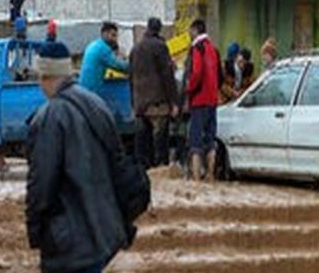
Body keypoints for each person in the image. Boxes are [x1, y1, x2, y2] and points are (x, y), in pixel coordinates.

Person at [21, 40, 128, 273]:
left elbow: (40, 187)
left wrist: (34, 231)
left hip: (71, 234)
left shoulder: (50, 118)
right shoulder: (94, 103)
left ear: (45, 76)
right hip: (99, 226)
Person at [129, 17, 178, 167]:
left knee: (143, 142)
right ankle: (160, 171)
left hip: (140, 103)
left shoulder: (135, 48)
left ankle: (144, 171)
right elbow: (167, 76)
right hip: (158, 103)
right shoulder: (160, 46)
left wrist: (133, 101)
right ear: (159, 29)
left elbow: (130, 76)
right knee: (160, 140)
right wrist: (174, 102)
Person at [184, 18, 221, 181]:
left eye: (190, 31)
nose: (189, 34)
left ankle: (197, 180)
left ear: (195, 30)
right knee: (210, 140)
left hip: (199, 100)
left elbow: (197, 73)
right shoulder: (213, 49)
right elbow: (220, 76)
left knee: (196, 142)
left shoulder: (196, 48)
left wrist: (189, 88)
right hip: (213, 100)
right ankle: (211, 175)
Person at [80, 21, 129, 93]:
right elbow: (120, 66)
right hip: (91, 89)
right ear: (104, 34)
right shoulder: (103, 49)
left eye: (116, 36)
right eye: (113, 35)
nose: (115, 40)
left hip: (83, 87)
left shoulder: (94, 44)